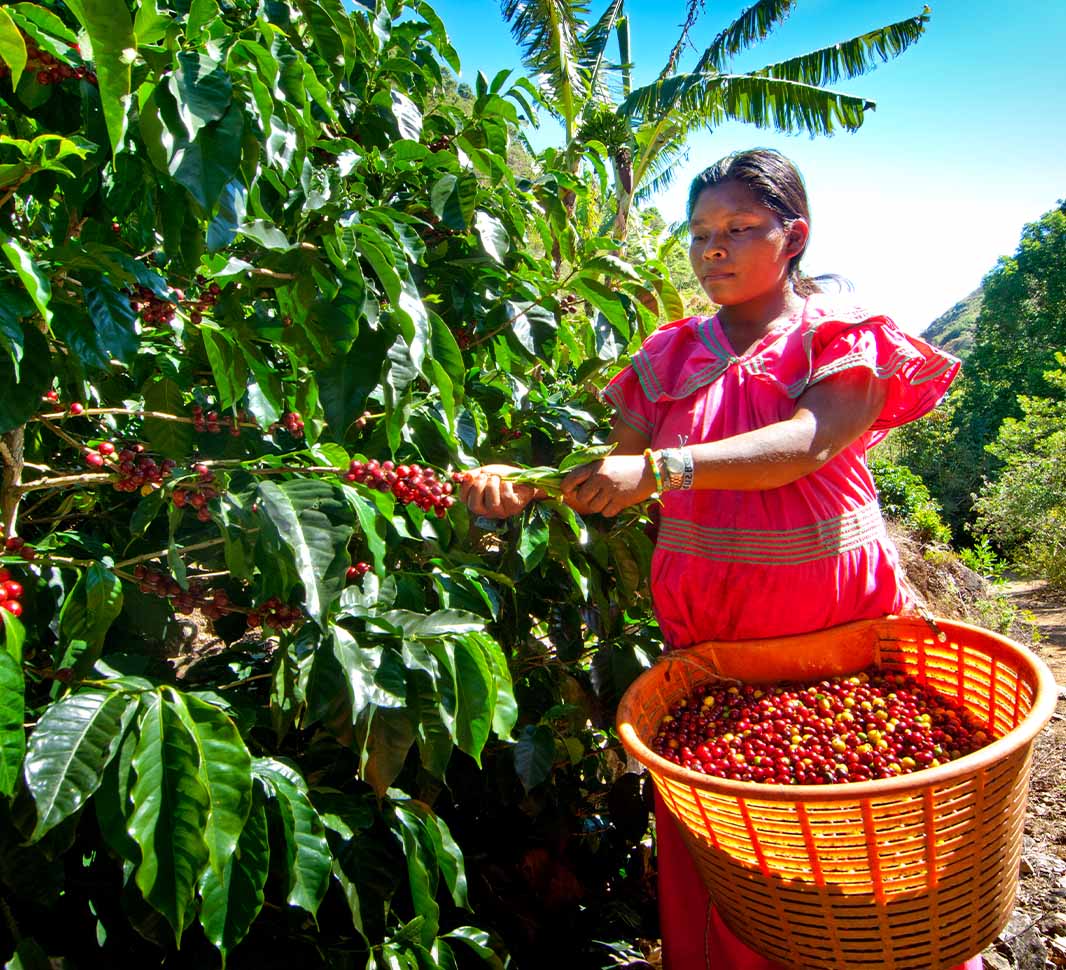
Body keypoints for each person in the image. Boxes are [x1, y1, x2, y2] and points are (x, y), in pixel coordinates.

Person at [459, 148, 977, 969]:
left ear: (793, 235)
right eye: (700, 232)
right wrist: (528, 486)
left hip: (834, 617)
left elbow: (807, 443)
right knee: (739, 839)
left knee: (857, 833)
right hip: (709, 624)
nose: (714, 250)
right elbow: (614, 468)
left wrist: (663, 468)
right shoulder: (668, 356)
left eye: (739, 229)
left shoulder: (839, 338)